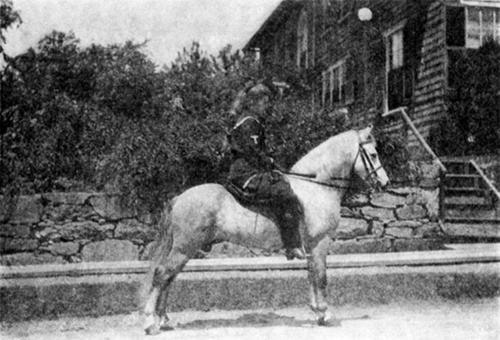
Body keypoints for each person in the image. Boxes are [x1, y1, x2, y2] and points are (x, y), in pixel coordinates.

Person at [226, 80, 305, 260]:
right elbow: (253, 152)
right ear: (253, 103)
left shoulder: (247, 121)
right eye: (264, 102)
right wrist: (270, 163)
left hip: (247, 172)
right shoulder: (250, 123)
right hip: (247, 175)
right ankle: (292, 245)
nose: (266, 106)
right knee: (287, 194)